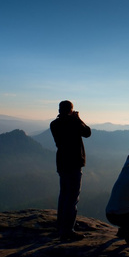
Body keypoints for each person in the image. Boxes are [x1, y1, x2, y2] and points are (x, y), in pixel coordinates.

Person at [50, 100, 91, 241]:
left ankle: (61, 225)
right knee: (72, 197)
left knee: (64, 195)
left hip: (61, 162)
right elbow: (87, 132)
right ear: (70, 110)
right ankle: (68, 230)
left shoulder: (54, 124)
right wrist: (78, 118)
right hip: (74, 162)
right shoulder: (74, 122)